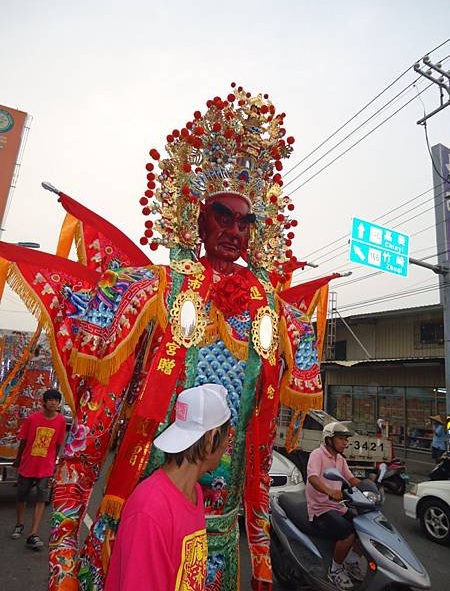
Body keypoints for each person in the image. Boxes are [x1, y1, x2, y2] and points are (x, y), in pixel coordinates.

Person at [0, 84, 334, 591]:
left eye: (247, 221)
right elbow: (93, 430)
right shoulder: (153, 292)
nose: (236, 230)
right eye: (223, 215)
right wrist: (65, 553)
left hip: (218, 536)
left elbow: (258, 448)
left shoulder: (277, 316)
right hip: (147, 514)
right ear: (197, 219)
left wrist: (260, 552)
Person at [105, 383, 231, 591]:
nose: (227, 444)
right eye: (227, 436)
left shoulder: (194, 493)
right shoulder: (150, 509)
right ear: (212, 439)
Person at [306, 422, 363, 590]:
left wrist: (369, 488)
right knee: (347, 533)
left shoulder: (340, 459)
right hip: (320, 508)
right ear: (329, 439)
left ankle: (351, 562)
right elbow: (313, 477)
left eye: (346, 440)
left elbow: (351, 479)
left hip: (339, 506)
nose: (345, 443)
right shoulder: (317, 454)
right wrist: (329, 490)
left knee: (365, 527)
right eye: (341, 439)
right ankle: (335, 570)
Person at [10, 388, 66, 549]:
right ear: (44, 402)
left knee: (41, 499)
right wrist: (18, 459)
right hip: (28, 464)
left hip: (46, 467)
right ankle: (19, 524)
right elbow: (23, 440)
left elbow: (58, 444)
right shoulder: (32, 419)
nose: (53, 402)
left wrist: (54, 463)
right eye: (50, 399)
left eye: (56, 400)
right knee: (22, 496)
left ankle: (33, 533)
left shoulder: (61, 421)